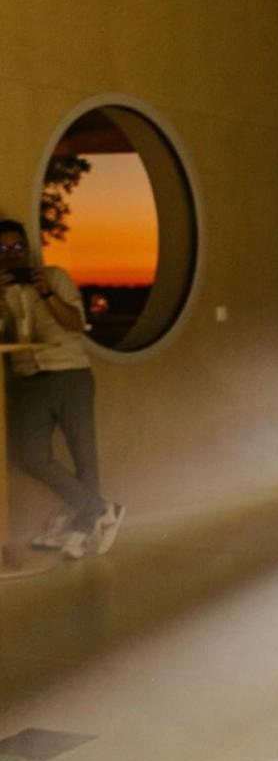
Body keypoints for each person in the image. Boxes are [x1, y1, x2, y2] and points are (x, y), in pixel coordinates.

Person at [0, 219, 125, 559]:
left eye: (17, 248)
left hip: (69, 373)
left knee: (84, 456)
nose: (12, 255)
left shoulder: (54, 277)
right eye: (3, 249)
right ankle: (102, 508)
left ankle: (82, 531)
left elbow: (74, 323)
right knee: (29, 455)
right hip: (29, 378)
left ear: (27, 249)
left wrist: (45, 293)